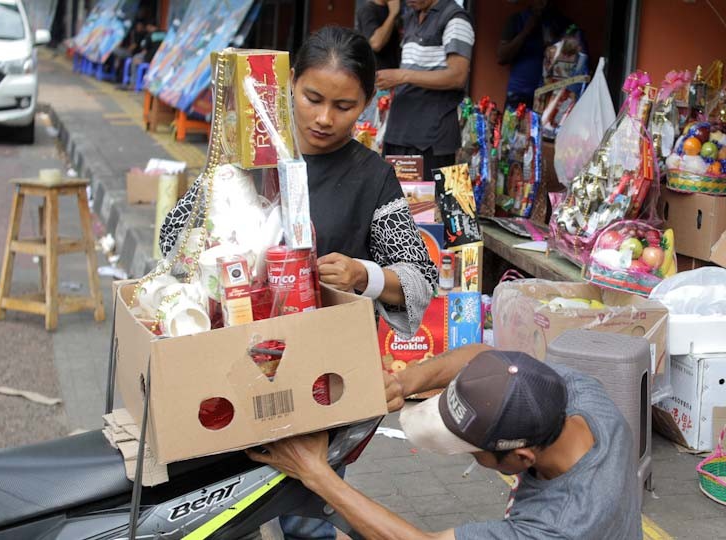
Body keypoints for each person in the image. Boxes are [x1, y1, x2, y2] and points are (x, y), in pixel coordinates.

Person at [159, 26, 438, 539]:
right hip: (230, 362)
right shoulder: (248, 154)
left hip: (319, 377)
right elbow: (173, 239)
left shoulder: (371, 176)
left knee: (307, 515)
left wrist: (364, 275)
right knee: (219, 507)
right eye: (312, 98)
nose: (325, 118)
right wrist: (221, 202)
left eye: (344, 105)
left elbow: (421, 278)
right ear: (289, 86)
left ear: (368, 105)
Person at [247, 347, 643, 539]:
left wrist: (318, 477)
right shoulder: (577, 394)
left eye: (472, 448)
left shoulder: (559, 527)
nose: (467, 452)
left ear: (520, 456)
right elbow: (490, 358)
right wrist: (405, 381)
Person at [377, 0, 474, 183]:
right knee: (395, 206)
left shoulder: (456, 18)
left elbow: (458, 77)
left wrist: (402, 76)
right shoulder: (411, 16)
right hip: (400, 132)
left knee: (446, 209)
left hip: (433, 138)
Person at [497, 0, 572, 109]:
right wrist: (527, 30)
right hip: (519, 96)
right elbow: (501, 57)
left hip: (550, 98)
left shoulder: (561, 23)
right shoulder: (518, 20)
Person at [356, 0, 401, 71]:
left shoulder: (393, 8)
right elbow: (376, 44)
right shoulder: (368, 10)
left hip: (395, 71)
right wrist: (393, 14)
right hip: (377, 74)